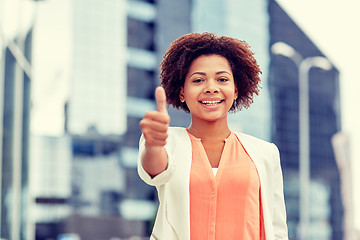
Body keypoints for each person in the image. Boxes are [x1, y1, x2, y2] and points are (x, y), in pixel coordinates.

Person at [137, 32, 288, 240]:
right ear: (182, 92)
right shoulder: (166, 141)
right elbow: (155, 170)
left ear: (236, 89)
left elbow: (277, 227)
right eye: (198, 80)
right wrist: (154, 146)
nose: (211, 88)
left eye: (222, 79)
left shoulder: (265, 153)